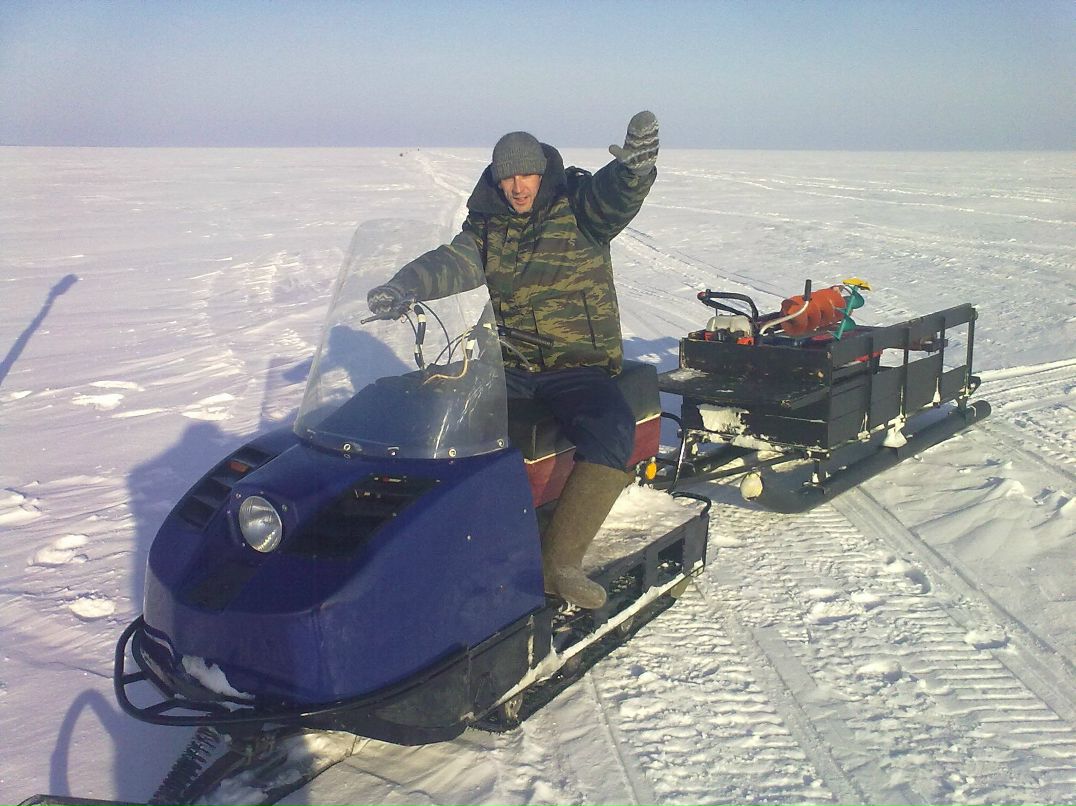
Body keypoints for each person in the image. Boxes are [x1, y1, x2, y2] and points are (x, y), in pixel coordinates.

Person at [368, 111, 659, 609]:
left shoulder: (579, 209)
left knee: (611, 427)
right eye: (507, 177)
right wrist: (404, 285)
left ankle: (559, 564)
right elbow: (453, 262)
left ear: (542, 173)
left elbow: (616, 197)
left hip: (577, 366)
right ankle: (416, 539)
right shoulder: (486, 226)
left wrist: (632, 172)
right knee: (432, 415)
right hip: (510, 364)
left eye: (525, 175)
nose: (516, 187)